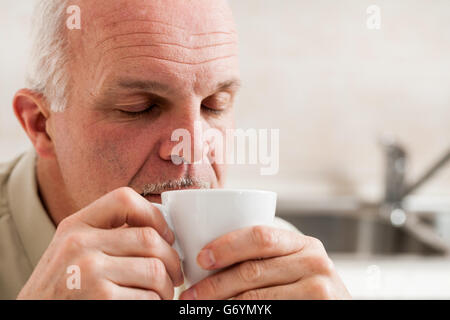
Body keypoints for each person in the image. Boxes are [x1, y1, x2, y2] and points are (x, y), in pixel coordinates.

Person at [0, 0, 350, 300]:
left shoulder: (278, 267)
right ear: (41, 125)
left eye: (214, 105)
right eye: (140, 107)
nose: (193, 149)